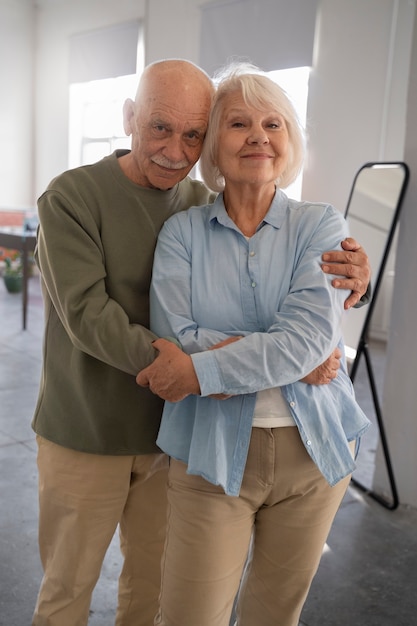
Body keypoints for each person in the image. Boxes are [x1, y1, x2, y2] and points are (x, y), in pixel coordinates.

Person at [31, 59, 370, 626]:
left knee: (150, 594)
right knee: (68, 592)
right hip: (89, 427)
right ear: (130, 118)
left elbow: (305, 319)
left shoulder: (195, 202)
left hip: (176, 435)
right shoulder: (74, 197)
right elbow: (90, 317)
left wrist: (351, 284)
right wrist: (274, 358)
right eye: (159, 128)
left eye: (191, 134)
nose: (173, 149)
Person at [137, 66, 371, 626]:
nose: (258, 136)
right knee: (189, 616)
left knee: (275, 617)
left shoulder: (320, 224)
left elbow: (312, 336)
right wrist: (290, 355)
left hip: (315, 453)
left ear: (290, 142)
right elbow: (176, 338)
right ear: (215, 141)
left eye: (274, 123)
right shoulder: (182, 233)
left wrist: (208, 364)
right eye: (239, 123)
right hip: (210, 452)